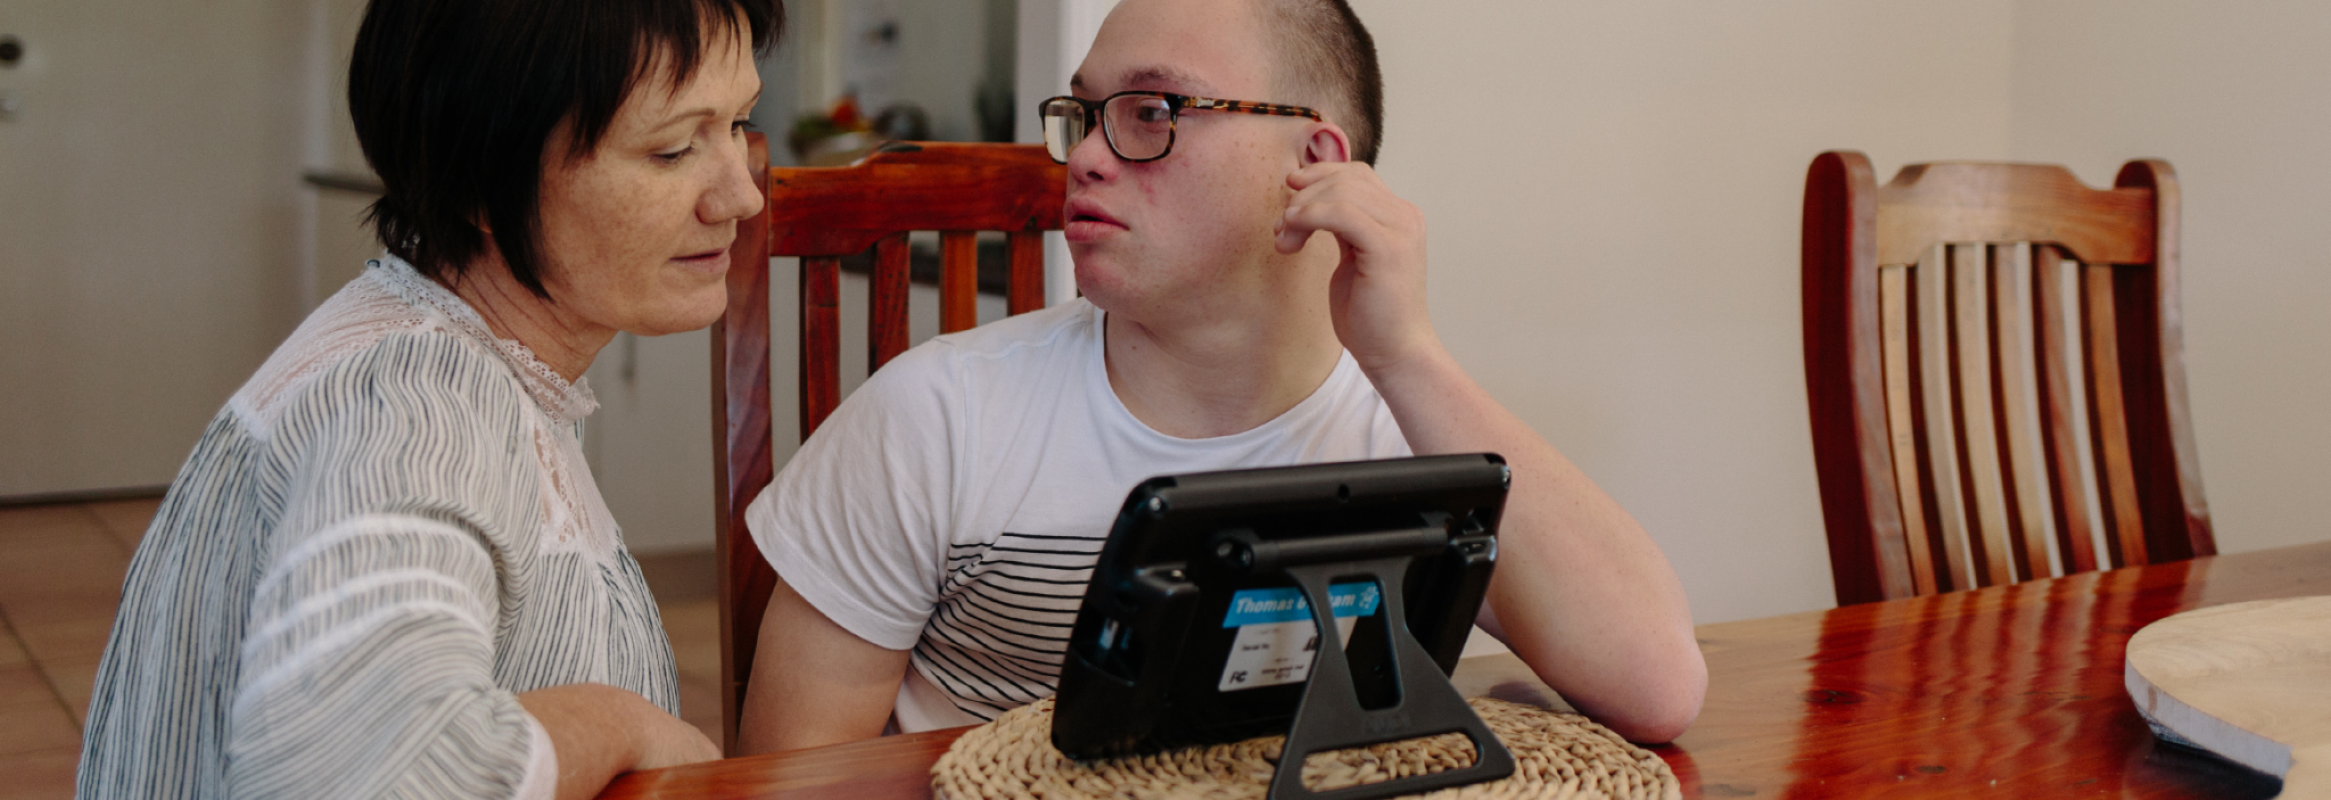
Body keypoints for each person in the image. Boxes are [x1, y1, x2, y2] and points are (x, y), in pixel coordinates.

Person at [737, 0, 1706, 753]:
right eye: (1085, 114)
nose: (1085, 158)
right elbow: (784, 774)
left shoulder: (1404, 433)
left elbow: (1659, 681)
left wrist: (1407, 351)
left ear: (1315, 163)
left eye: (1152, 113)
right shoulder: (936, 418)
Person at [75, 0, 779, 797]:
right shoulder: (418, 401)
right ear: (480, 179)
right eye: (672, 148)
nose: (740, 195)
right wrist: (625, 723)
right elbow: (364, 773)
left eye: (740, 126)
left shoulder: (470, 359)